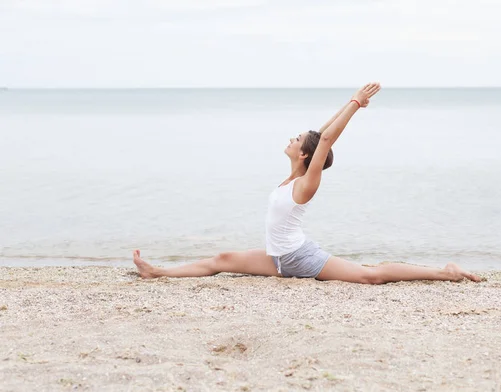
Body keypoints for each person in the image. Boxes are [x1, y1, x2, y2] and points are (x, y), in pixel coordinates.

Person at [133, 83, 481, 284]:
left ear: (303, 155)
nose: (293, 138)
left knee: (369, 276)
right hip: (277, 259)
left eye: (296, 139)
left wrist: (355, 103)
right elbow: (319, 135)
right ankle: (159, 272)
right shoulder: (290, 179)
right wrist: (341, 110)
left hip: (299, 258)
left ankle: (444, 272)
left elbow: (324, 141)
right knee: (222, 258)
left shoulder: (306, 185)